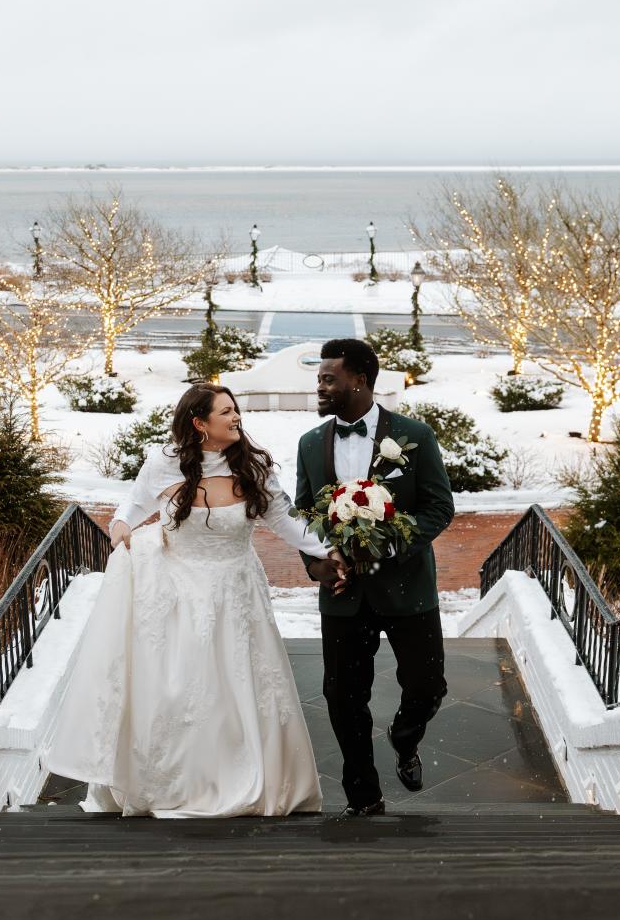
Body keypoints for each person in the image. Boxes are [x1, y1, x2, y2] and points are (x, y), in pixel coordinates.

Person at [46, 382, 345, 817]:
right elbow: (132, 505)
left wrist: (330, 550)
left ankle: (250, 778)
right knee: (183, 690)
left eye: (236, 410)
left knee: (243, 686)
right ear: (199, 423)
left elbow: (286, 522)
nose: (236, 417)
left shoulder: (254, 466)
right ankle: (180, 782)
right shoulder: (164, 463)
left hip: (238, 593)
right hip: (177, 592)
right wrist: (120, 527)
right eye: (226, 412)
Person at [295, 338, 455, 818]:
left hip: (408, 590)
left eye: (329, 378)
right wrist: (318, 566)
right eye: (320, 378)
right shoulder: (309, 443)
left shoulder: (414, 436)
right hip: (344, 596)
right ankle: (363, 796)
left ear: (360, 379)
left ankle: (405, 738)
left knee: (427, 687)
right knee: (343, 698)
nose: (320, 386)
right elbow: (304, 514)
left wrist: (389, 543)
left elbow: (439, 508)